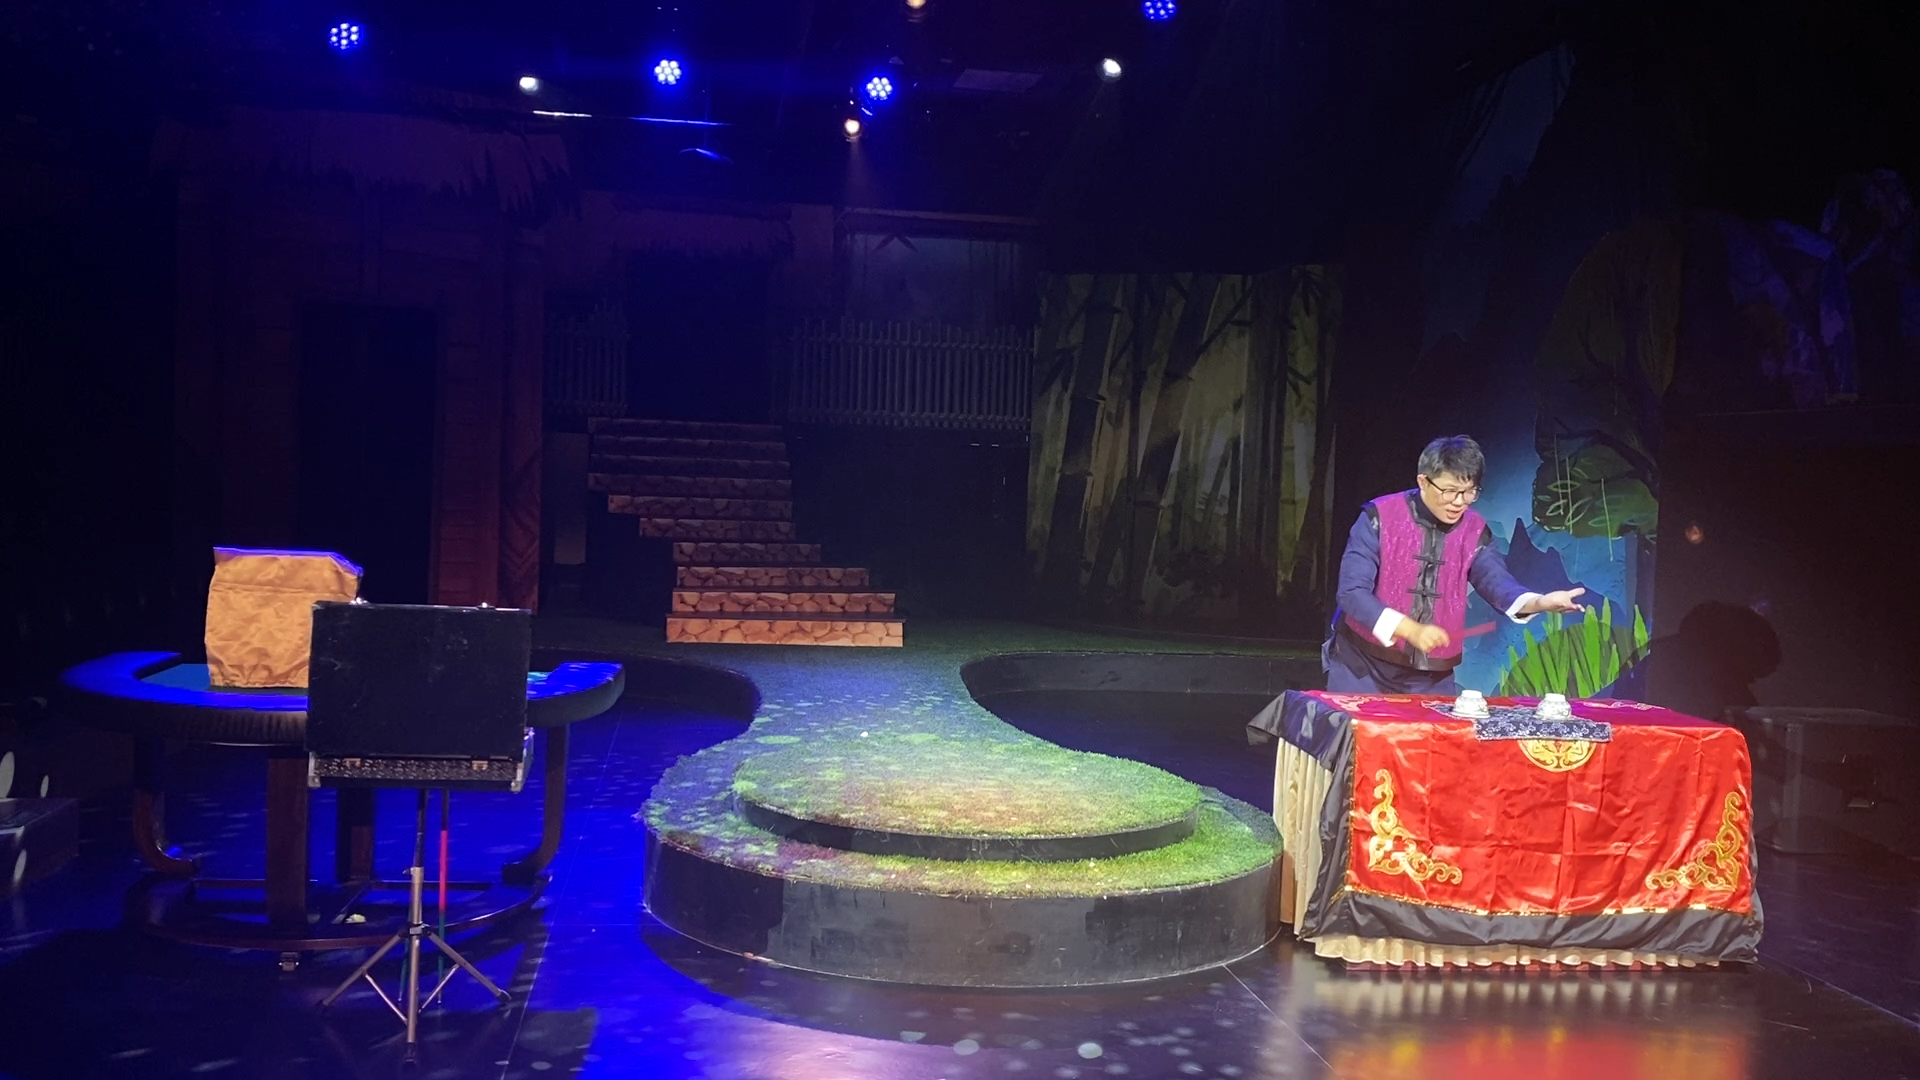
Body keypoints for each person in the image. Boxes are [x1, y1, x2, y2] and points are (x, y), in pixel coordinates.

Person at [1324, 435, 1587, 695]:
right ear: (1423, 481)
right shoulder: (1378, 517)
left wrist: (1539, 602)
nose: (1460, 502)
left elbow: (1496, 583)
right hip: (1362, 667)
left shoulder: (1474, 530)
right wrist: (1409, 629)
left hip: (1431, 679)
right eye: (1450, 491)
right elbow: (1352, 592)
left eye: (1469, 492)